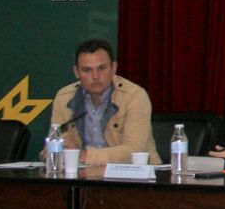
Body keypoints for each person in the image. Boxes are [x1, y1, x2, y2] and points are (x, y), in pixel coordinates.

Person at [50, 38, 159, 166]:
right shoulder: (64, 97)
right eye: (87, 70)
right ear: (76, 72)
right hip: (82, 174)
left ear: (113, 68)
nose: (95, 76)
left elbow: (135, 151)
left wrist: (83, 155)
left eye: (102, 68)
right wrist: (54, 150)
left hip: (133, 176)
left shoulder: (134, 96)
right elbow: (56, 143)